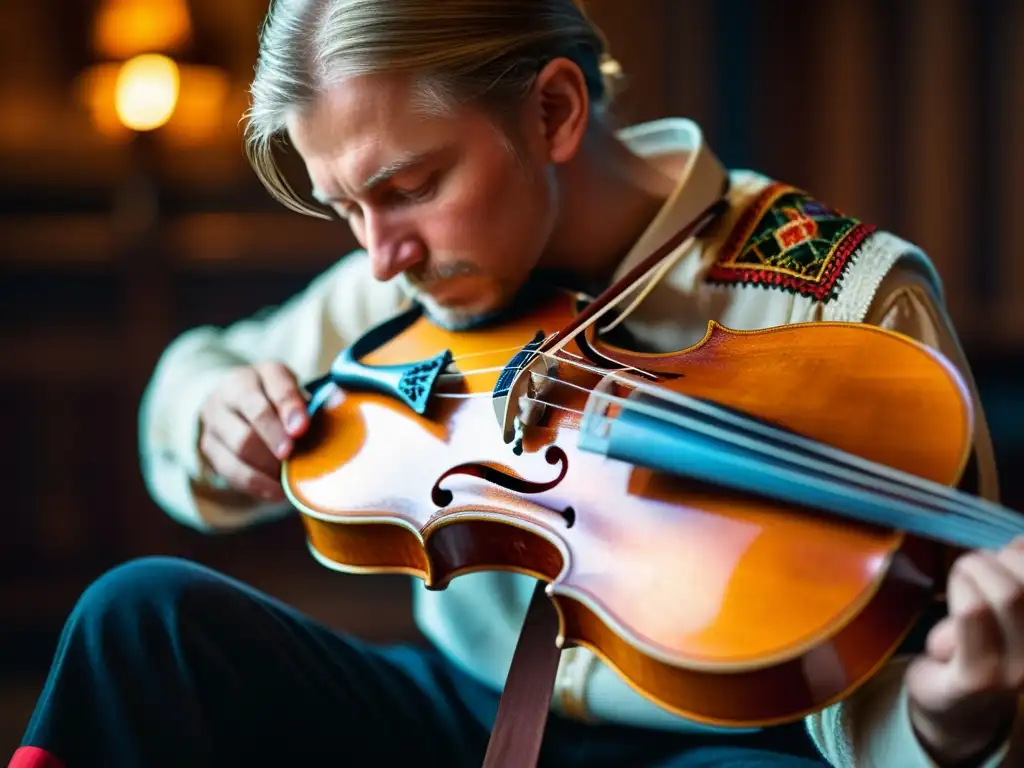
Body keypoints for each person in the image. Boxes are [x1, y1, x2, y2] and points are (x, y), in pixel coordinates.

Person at [10, 1, 1024, 766]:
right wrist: (211, 412)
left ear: (552, 111)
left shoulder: (844, 303)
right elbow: (200, 368)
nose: (379, 259)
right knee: (140, 618)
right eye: (344, 209)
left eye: (410, 189)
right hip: (466, 711)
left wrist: (948, 718)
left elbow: (884, 688)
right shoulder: (419, 276)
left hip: (719, 743)